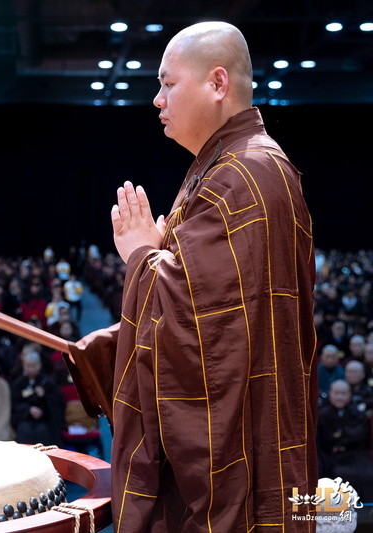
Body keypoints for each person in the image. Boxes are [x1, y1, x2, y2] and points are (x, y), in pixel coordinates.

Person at [63, 22, 317, 531]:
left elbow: (203, 325)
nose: (156, 100)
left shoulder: (248, 173)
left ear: (217, 84)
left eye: (167, 83)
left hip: (244, 450)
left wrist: (139, 254)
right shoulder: (225, 166)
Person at [317, 380, 373, 502]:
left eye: (343, 393)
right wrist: (342, 438)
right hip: (330, 454)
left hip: (354, 453)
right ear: (330, 394)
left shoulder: (357, 413)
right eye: (336, 393)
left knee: (368, 474)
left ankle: (367, 512)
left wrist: (342, 439)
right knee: (340, 474)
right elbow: (325, 439)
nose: (339, 397)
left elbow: (359, 435)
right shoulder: (321, 414)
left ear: (349, 395)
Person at [10, 351, 63, 447]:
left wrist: (44, 396)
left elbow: (57, 403)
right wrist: (29, 410)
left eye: (34, 365)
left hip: (44, 420)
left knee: (42, 430)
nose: (31, 369)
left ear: (39, 365)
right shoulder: (18, 383)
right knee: (24, 429)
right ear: (24, 366)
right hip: (25, 419)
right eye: (28, 366)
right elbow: (15, 404)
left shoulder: (48, 382)